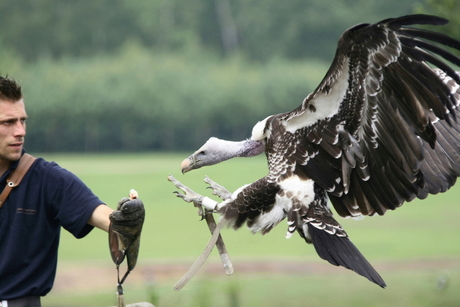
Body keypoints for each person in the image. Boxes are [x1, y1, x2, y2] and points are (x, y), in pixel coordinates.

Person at [0, 76, 143, 306]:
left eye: (22, 120)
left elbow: (106, 217)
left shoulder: (46, 178)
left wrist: (126, 219)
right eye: (8, 122)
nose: (20, 131)